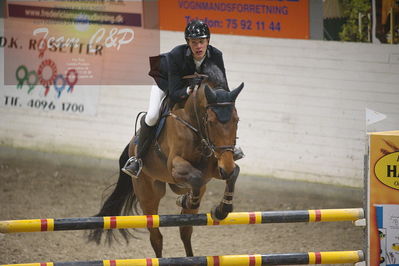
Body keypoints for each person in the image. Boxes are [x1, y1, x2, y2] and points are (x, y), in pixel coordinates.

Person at [122, 19, 241, 178]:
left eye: (201, 41)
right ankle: (137, 159)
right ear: (188, 43)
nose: (198, 46)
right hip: (167, 84)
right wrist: (189, 90)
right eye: (194, 42)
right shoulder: (176, 55)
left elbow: (222, 87)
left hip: (193, 89)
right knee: (152, 116)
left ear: (208, 41)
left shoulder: (216, 55)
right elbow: (174, 92)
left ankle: (229, 148)